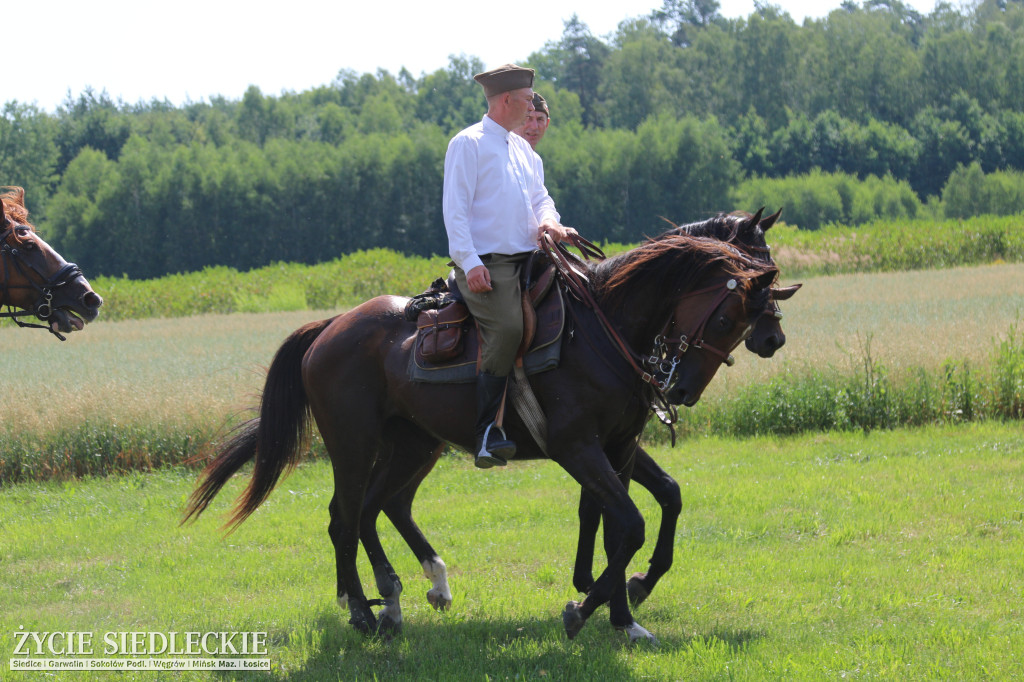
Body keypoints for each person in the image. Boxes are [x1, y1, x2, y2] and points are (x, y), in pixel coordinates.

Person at [442, 64, 575, 469]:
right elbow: (456, 211)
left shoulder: (524, 152)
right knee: (508, 329)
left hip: (531, 256)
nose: (531, 108)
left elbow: (541, 199)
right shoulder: (468, 144)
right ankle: (486, 433)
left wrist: (550, 221)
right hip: (489, 264)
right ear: (505, 101)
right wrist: (470, 262)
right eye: (525, 101)